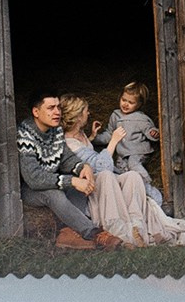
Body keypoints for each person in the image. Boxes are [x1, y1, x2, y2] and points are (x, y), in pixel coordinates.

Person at [59, 95, 185, 247]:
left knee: (132, 176)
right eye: (85, 111)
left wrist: (91, 137)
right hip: (89, 193)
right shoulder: (69, 144)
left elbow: (92, 155)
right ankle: (119, 229)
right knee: (107, 175)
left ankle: (137, 225)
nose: (88, 113)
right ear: (76, 117)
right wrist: (113, 141)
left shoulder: (80, 135)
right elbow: (101, 168)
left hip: (104, 181)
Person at [17, 88, 122, 250]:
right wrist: (72, 180)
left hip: (52, 180)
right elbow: (34, 178)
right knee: (54, 193)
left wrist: (82, 167)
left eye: (58, 107)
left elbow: (66, 157)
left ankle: (68, 233)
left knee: (82, 180)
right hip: (31, 190)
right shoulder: (25, 136)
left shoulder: (55, 131)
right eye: (51, 108)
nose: (57, 112)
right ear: (36, 112)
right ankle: (94, 233)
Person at [104, 81, 162, 208]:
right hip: (122, 152)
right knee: (121, 170)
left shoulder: (141, 118)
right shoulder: (115, 115)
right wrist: (93, 138)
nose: (125, 104)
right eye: (124, 99)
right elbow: (109, 134)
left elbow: (150, 132)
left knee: (133, 164)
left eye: (131, 102)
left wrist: (154, 133)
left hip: (137, 151)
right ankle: (131, 196)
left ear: (139, 104)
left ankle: (148, 186)